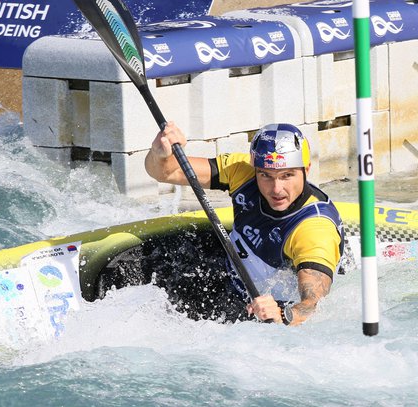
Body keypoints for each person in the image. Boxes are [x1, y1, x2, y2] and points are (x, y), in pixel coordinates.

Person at [145, 122, 344, 326]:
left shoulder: (314, 229)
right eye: (266, 175)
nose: (276, 189)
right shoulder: (243, 172)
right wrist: (160, 154)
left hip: (265, 306)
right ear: (255, 169)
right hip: (230, 270)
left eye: (287, 175)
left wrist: (283, 315)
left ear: (306, 169)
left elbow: (313, 305)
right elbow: (166, 172)